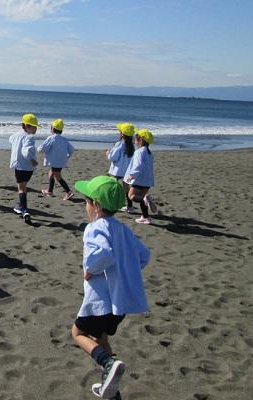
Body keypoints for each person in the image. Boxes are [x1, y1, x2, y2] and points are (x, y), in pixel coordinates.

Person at [71, 175, 150, 399]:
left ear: (95, 205)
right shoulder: (124, 229)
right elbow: (144, 256)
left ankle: (108, 363)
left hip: (101, 300)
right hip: (120, 303)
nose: (85, 206)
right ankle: (111, 386)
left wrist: (91, 269)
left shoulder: (94, 228)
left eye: (86, 201)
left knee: (78, 332)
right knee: (101, 337)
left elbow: (103, 253)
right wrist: (125, 271)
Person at [124, 129, 158, 224]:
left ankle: (145, 199)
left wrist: (132, 175)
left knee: (131, 196)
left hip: (140, 180)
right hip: (148, 180)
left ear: (141, 140)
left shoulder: (139, 152)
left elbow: (138, 166)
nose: (134, 140)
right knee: (143, 199)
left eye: (136, 138)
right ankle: (145, 217)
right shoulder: (149, 153)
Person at [9, 114, 39, 221]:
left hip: (19, 165)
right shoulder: (29, 137)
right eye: (34, 126)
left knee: (21, 188)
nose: (36, 128)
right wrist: (33, 161)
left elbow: (11, 140)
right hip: (27, 167)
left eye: (36, 126)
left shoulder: (17, 135)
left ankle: (24, 209)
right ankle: (22, 207)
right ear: (26, 126)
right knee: (23, 187)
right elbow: (26, 151)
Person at [38, 119, 75, 200]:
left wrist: (38, 150)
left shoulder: (51, 138)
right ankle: (50, 191)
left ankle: (69, 192)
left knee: (58, 177)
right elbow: (72, 150)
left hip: (54, 161)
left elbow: (42, 148)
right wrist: (67, 156)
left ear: (52, 129)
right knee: (51, 174)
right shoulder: (63, 139)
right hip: (61, 161)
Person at [106, 123, 136, 213]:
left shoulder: (119, 144)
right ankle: (130, 206)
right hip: (127, 170)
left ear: (122, 134)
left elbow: (113, 157)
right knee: (126, 188)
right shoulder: (132, 145)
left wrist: (108, 154)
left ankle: (112, 204)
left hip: (117, 170)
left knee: (113, 186)